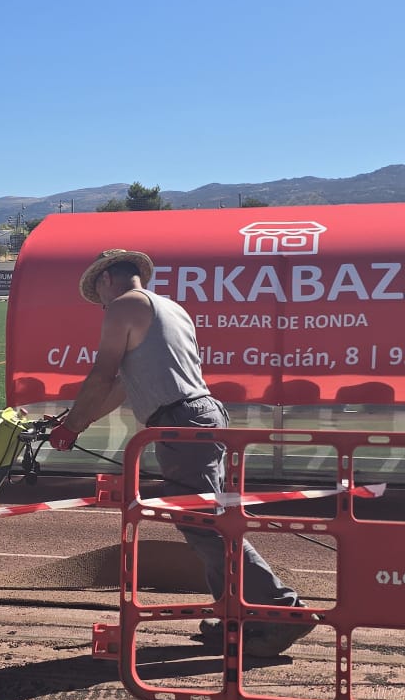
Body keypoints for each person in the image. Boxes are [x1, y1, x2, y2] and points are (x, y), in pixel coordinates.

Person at [46, 248, 316, 655]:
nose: (101, 304)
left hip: (182, 421)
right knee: (208, 522)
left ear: (106, 279)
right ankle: (238, 614)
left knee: (206, 525)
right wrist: (76, 421)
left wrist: (70, 427)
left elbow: (102, 375)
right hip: (199, 415)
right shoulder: (169, 308)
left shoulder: (123, 307)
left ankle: (282, 610)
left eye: (98, 294)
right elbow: (121, 387)